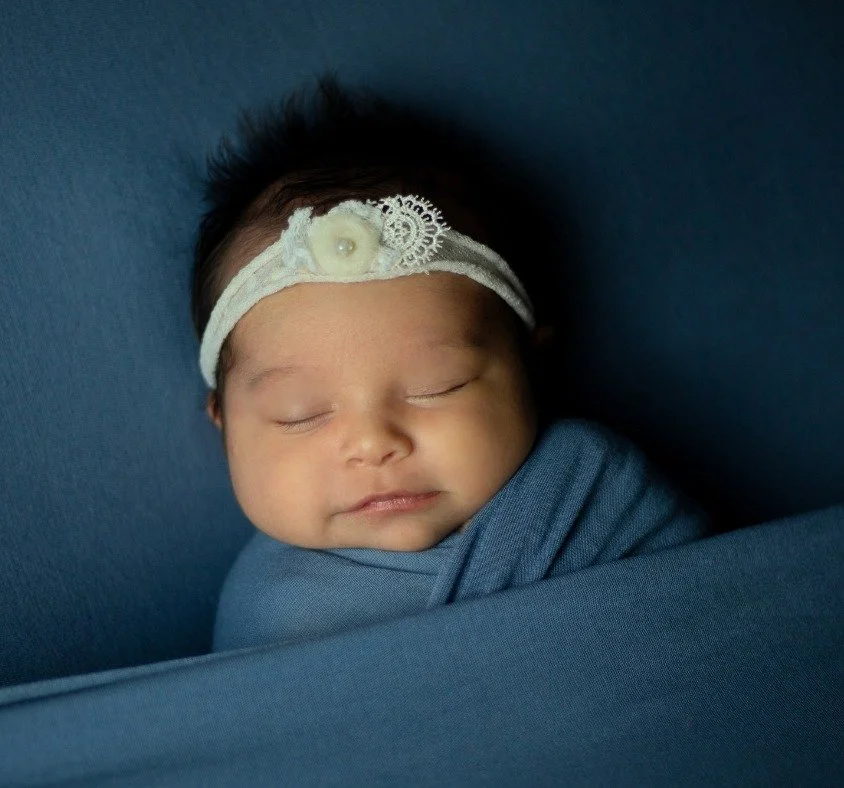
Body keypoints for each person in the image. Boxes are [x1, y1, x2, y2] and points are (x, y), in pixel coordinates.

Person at [191, 73, 711, 652]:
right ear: (225, 425)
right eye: (301, 413)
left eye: (438, 386)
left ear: (530, 370)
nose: (373, 442)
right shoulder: (266, 616)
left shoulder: (592, 494)